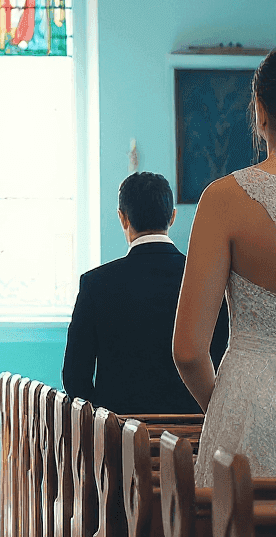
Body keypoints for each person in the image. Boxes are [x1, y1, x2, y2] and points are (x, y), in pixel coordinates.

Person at [174, 48, 276, 484]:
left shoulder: (224, 200)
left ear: (260, 112)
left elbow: (189, 351)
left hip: (248, 406)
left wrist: (227, 402)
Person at [62, 171, 228, 413]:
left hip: (117, 436)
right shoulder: (207, 279)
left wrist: (104, 421)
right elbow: (222, 358)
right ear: (172, 217)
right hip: (193, 432)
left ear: (123, 218)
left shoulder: (95, 284)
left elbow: (75, 378)